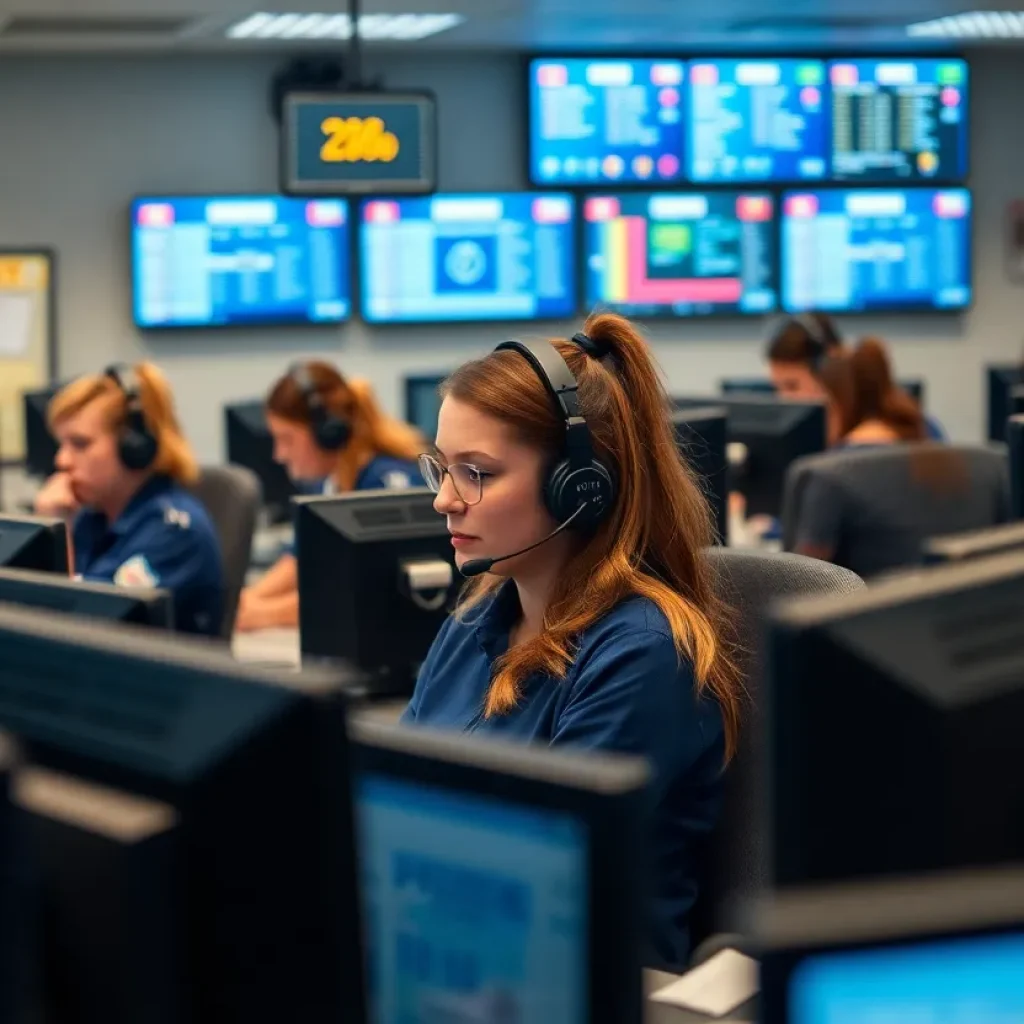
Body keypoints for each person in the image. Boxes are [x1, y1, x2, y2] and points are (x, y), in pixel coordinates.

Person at [402, 313, 742, 971]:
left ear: (580, 487)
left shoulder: (643, 651)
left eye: (475, 473)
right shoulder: (473, 621)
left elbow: (534, 881)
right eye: (440, 467)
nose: (444, 499)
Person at [33, 362, 224, 636]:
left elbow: (79, 627)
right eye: (61, 445)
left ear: (135, 447)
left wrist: (55, 528)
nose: (61, 460)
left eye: (80, 444)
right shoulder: (92, 516)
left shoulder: (175, 533)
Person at [235, 362, 425, 632]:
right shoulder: (327, 484)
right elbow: (299, 559)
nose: (279, 454)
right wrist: (244, 601)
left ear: (327, 433)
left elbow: (368, 592)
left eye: (287, 439)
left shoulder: (387, 486)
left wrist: (262, 614)